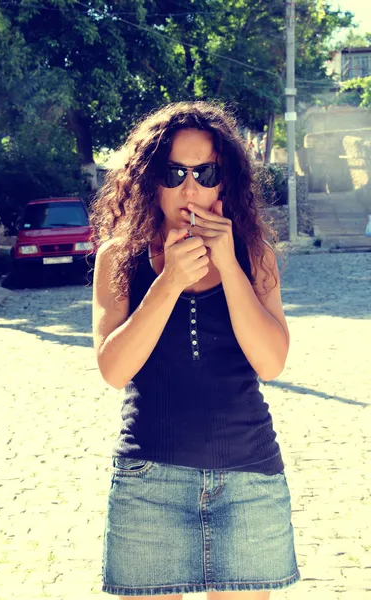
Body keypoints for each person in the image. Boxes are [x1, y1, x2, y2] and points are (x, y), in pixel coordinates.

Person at [91, 101, 301, 600]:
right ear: (150, 178)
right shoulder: (118, 257)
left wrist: (228, 265)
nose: (190, 188)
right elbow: (115, 370)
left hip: (248, 481)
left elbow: (270, 363)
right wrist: (167, 283)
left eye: (205, 172)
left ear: (223, 181)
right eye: (174, 172)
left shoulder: (254, 255)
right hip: (150, 485)